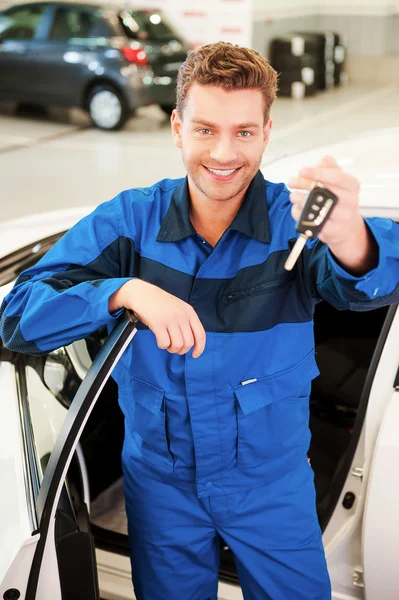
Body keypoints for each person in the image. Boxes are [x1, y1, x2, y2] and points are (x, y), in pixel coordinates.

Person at [1, 42, 399, 600]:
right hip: (161, 490)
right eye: (205, 129)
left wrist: (350, 235)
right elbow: (18, 316)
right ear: (177, 128)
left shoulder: (296, 226)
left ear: (265, 131)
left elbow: (371, 284)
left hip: (272, 488)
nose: (223, 152)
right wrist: (122, 291)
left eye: (243, 132)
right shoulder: (129, 222)